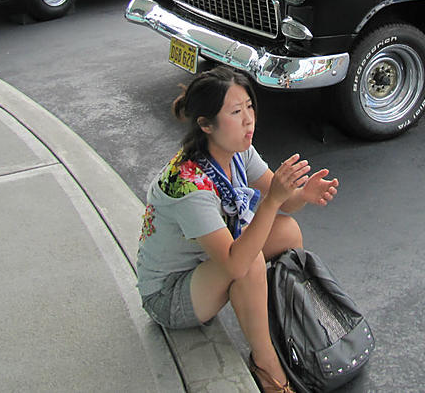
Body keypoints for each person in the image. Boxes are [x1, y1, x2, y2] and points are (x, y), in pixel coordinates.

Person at [136, 66, 338, 393]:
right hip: (169, 294)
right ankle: (266, 363)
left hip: (207, 263)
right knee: (249, 263)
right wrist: (272, 201)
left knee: (287, 232)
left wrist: (302, 195)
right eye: (235, 111)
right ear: (206, 125)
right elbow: (236, 262)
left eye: (249, 107)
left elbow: (282, 202)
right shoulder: (189, 185)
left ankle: (274, 320)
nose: (248, 119)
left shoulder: (237, 149)